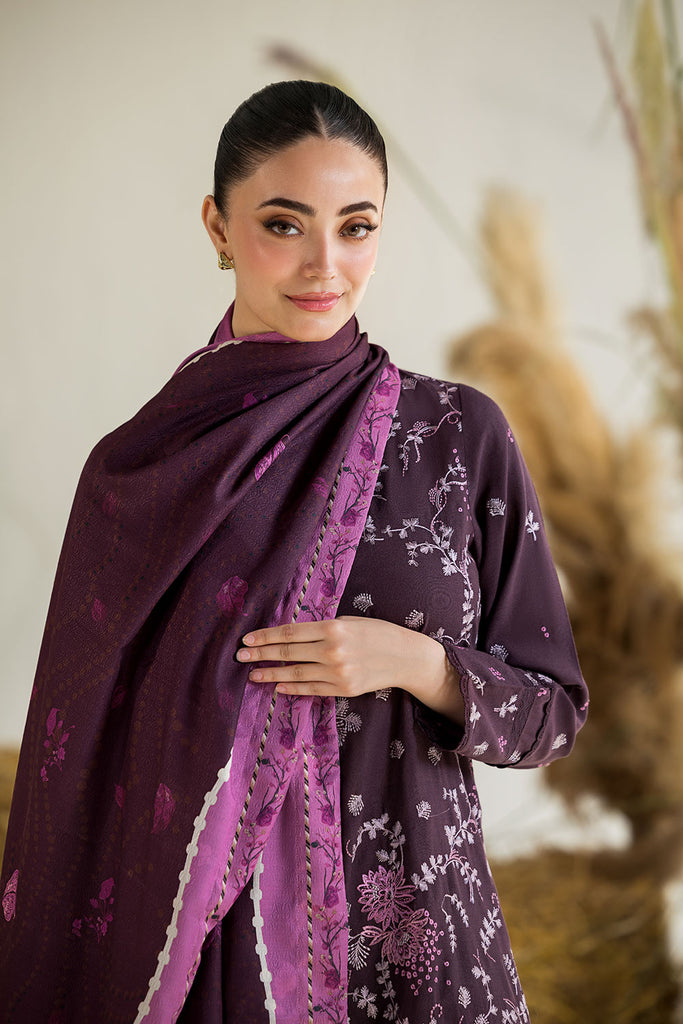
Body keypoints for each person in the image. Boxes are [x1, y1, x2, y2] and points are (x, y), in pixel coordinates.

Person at [0, 80, 588, 1023]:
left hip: (416, 936)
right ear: (218, 227)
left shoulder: (454, 435)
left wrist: (416, 662)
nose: (325, 264)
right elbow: (74, 764)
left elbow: (551, 715)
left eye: (356, 227)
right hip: (203, 949)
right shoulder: (141, 470)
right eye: (284, 224)